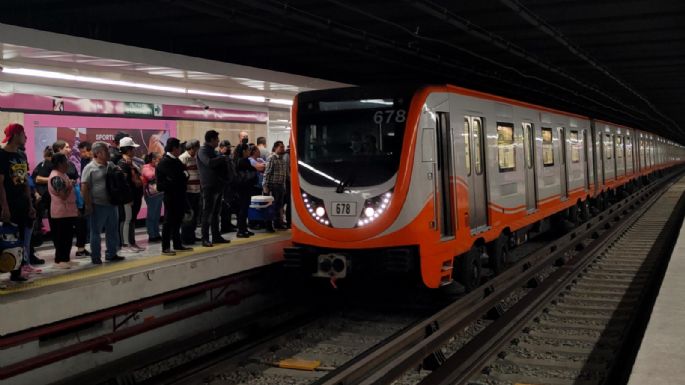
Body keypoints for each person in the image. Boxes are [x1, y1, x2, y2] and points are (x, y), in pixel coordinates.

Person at [0, 124, 37, 281]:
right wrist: (5, 207)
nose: (24, 137)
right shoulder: (1, 155)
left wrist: (30, 204)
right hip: (8, 203)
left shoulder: (21, 155)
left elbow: (24, 182)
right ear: (16, 135)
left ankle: (17, 270)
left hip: (22, 202)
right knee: (5, 239)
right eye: (23, 133)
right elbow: (0, 183)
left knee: (20, 238)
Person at [82, 142, 124, 264]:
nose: (109, 153)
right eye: (106, 151)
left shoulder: (111, 165)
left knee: (112, 230)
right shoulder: (89, 168)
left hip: (112, 203)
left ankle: (112, 253)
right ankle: (96, 257)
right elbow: (84, 188)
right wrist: (88, 204)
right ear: (98, 153)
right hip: (97, 205)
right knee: (96, 232)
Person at [53, 140, 90, 257]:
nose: (70, 149)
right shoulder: (54, 169)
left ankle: (80, 249)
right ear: (59, 150)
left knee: (81, 225)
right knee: (64, 232)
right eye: (67, 147)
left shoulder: (71, 164)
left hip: (76, 200)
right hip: (64, 204)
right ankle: (62, 258)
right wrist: (69, 184)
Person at [155, 138, 192, 255]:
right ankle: (165, 247)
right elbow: (163, 184)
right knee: (168, 221)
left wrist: (178, 178)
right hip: (171, 196)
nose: (180, 149)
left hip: (180, 195)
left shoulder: (176, 161)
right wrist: (177, 178)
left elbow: (186, 175)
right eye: (179, 147)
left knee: (177, 221)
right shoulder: (164, 162)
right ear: (174, 148)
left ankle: (177, 244)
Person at [197, 130, 230, 247]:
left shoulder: (214, 151)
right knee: (208, 213)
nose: (218, 141)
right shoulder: (202, 151)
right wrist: (223, 158)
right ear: (211, 140)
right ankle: (205, 238)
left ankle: (216, 236)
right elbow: (209, 163)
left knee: (216, 212)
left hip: (218, 185)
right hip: (209, 186)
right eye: (216, 139)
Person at [48, 153, 78, 269]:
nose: (68, 164)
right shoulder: (56, 177)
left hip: (67, 212)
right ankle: (59, 260)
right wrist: (70, 185)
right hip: (60, 213)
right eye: (66, 161)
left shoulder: (62, 174)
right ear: (60, 163)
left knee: (68, 237)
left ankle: (66, 258)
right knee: (61, 238)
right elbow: (63, 195)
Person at [117, 137, 145, 252]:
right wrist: (127, 197)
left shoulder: (132, 162)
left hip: (135, 195)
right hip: (128, 198)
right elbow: (123, 183)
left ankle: (132, 242)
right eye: (133, 149)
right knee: (126, 219)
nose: (134, 151)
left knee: (132, 219)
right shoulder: (122, 164)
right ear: (128, 150)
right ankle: (125, 245)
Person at [180, 140, 202, 245]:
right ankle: (186, 237)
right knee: (189, 215)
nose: (198, 150)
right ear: (192, 148)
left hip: (197, 190)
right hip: (188, 191)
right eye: (197, 147)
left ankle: (192, 235)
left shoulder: (196, 157)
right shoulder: (183, 158)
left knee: (195, 214)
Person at [263, 141, 288, 232]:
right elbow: (267, 173)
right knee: (271, 207)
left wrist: (284, 186)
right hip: (273, 185)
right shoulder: (271, 158)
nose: (283, 148)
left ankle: (277, 223)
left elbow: (284, 174)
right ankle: (268, 225)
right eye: (281, 147)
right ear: (275, 148)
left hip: (280, 186)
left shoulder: (282, 159)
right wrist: (265, 186)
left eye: (283, 147)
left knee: (278, 206)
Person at [234, 143, 258, 238]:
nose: (249, 152)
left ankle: (243, 229)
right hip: (244, 187)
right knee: (243, 209)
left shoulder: (236, 160)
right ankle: (241, 230)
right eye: (248, 150)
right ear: (244, 151)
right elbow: (253, 169)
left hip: (240, 187)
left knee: (243, 209)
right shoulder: (243, 161)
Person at [141, 153, 163, 242]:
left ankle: (156, 233)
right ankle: (151, 235)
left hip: (159, 193)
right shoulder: (146, 167)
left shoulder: (157, 166)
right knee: (151, 215)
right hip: (151, 195)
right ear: (152, 159)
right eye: (158, 159)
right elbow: (150, 176)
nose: (159, 161)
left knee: (157, 215)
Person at [219, 140, 237, 233]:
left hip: (230, 186)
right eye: (227, 147)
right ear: (221, 148)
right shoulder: (220, 158)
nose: (229, 149)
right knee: (225, 207)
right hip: (225, 186)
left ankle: (228, 224)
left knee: (229, 207)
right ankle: (224, 226)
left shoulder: (229, 158)